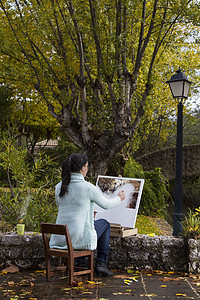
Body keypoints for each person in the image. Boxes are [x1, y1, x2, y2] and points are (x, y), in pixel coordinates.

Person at [49, 153, 125, 277]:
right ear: (82, 168)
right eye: (87, 166)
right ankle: (101, 264)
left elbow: (67, 209)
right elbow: (106, 205)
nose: (87, 169)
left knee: (94, 224)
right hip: (77, 238)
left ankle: (81, 262)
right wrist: (119, 198)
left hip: (60, 238)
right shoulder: (88, 188)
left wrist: (88, 213)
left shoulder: (59, 187)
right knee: (104, 224)